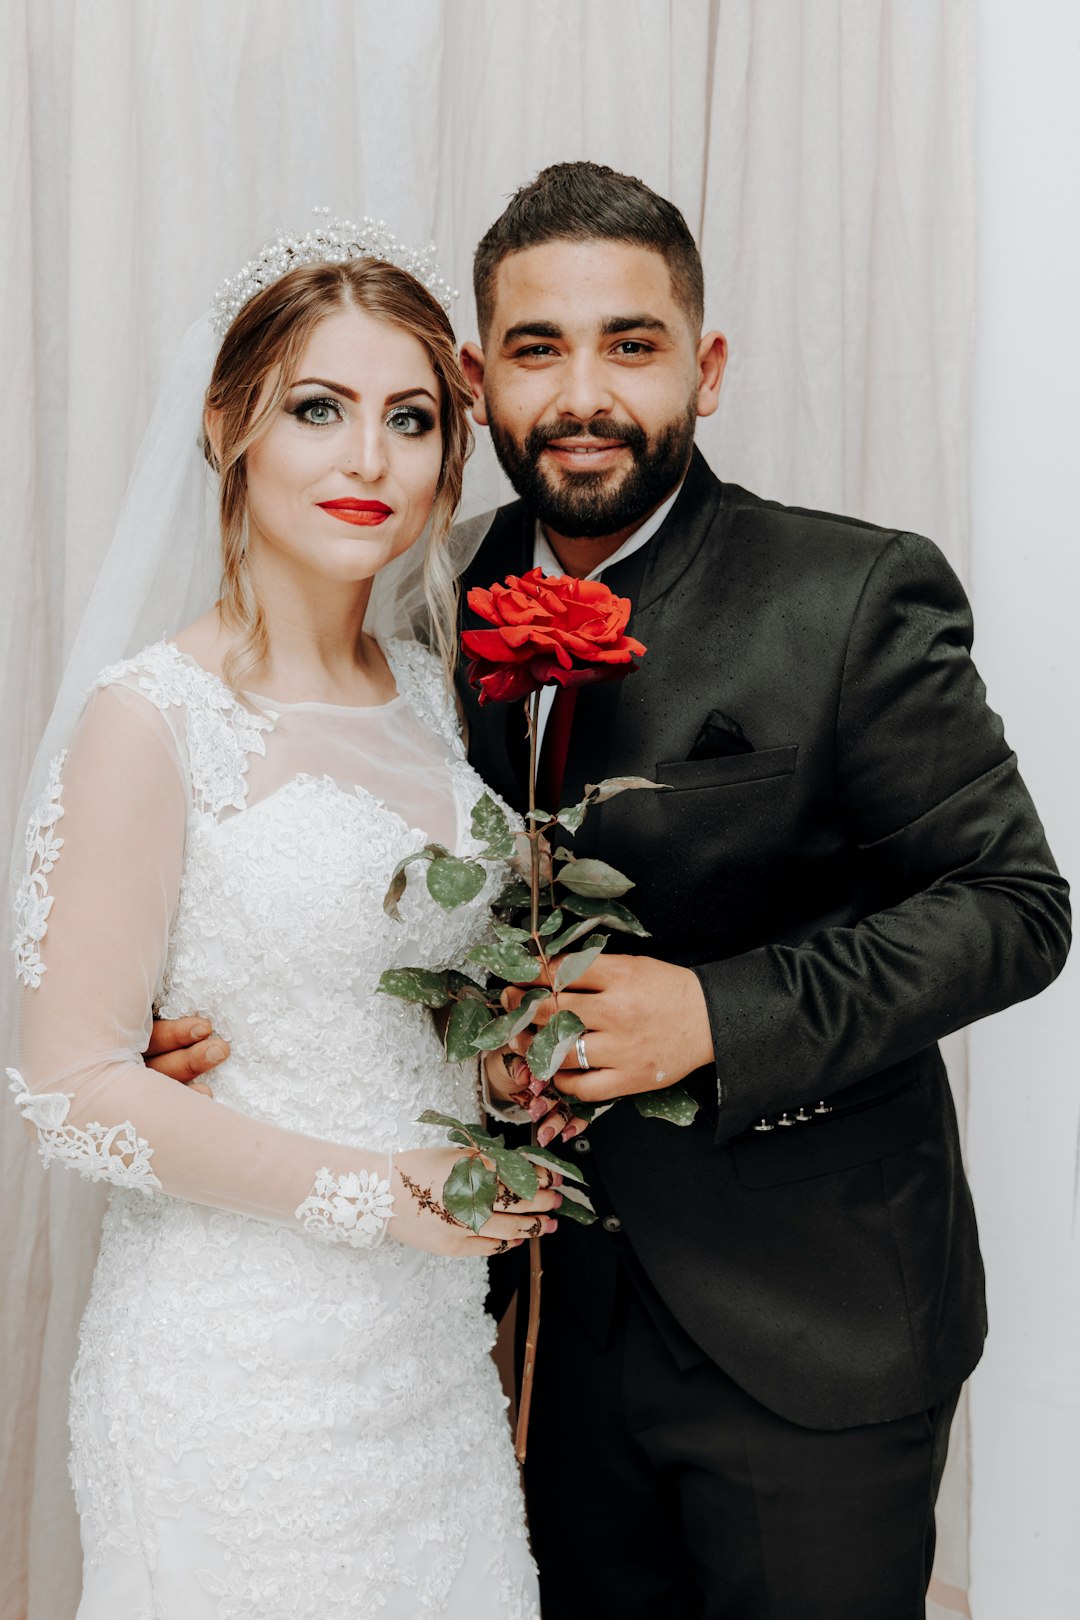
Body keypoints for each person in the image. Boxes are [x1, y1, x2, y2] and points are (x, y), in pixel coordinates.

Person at [152, 166, 1071, 1620]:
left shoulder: (851, 597)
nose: (584, 393)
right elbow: (335, 879)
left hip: (810, 1325)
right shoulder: (415, 603)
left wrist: (717, 1013)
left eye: (631, 345)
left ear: (703, 370)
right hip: (519, 1332)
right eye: (537, 349)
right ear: (475, 378)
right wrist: (203, 1029)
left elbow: (1015, 906)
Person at [7, 227, 558, 1619]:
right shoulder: (156, 716)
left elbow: (408, 998)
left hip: (428, 1372)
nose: (367, 460)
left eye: (411, 419)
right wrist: (381, 1200)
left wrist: (499, 1074)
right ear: (228, 425)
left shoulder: (434, 696)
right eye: (319, 409)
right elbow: (71, 1093)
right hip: (235, 1367)